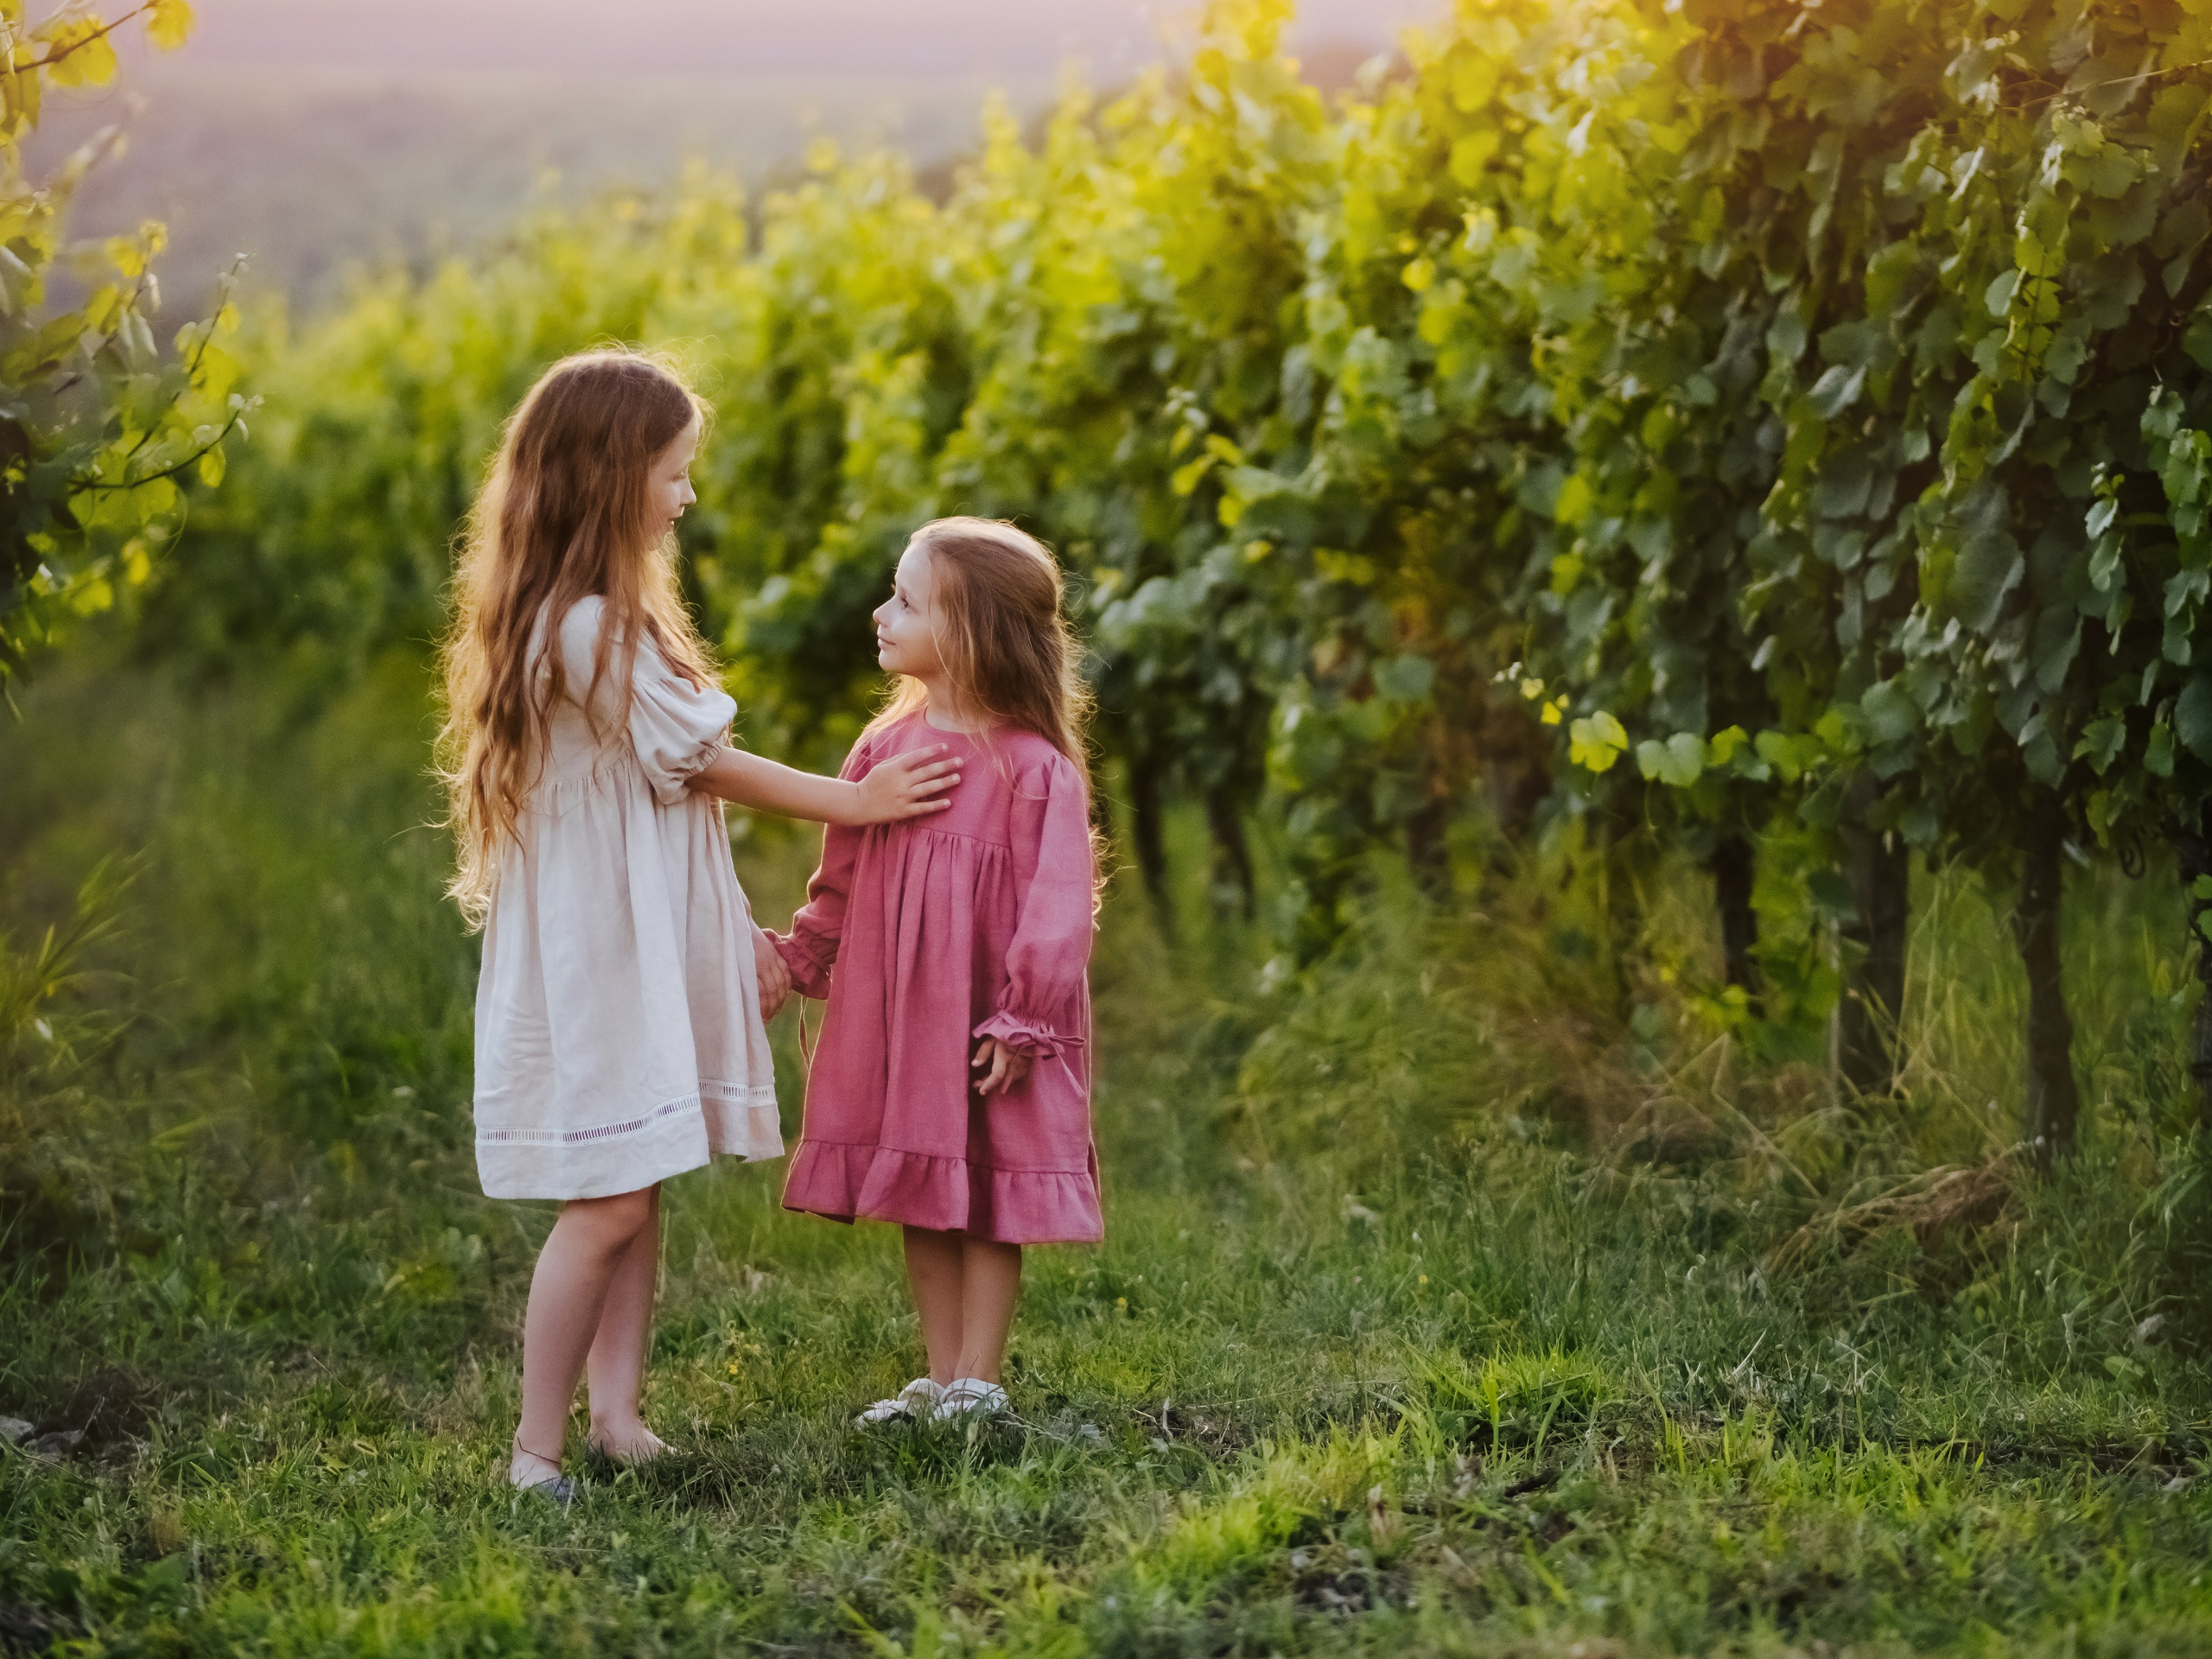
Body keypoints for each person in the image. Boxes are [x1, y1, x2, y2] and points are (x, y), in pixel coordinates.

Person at [435, 348, 962, 1498]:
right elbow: (702, 764)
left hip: (633, 929)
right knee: (612, 1194)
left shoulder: (599, 615)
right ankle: (535, 1448)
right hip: (603, 946)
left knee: (644, 1165)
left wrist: (731, 944)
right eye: (674, 474)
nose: (687, 497)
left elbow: (669, 804)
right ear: (610, 473)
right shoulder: (578, 627)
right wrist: (853, 800)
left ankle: (618, 1416)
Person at [771, 516, 1103, 1425]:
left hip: (992, 1019)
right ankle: (941, 1372)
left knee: (991, 1189)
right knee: (924, 1181)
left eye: (906, 601)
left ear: (968, 631)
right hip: (909, 1011)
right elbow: (841, 872)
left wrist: (1025, 1018)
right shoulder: (884, 755)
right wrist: (805, 952)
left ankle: (978, 1383)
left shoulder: (1035, 770)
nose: (881, 613)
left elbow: (1059, 905)